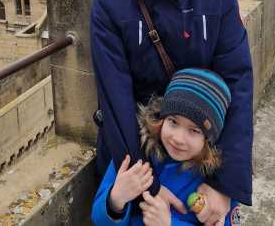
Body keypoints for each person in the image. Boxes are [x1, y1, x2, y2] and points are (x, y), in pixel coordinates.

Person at [90, 0, 253, 225]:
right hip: (140, 146)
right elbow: (115, 96)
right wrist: (149, 183)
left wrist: (223, 184)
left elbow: (237, 83)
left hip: (200, 146)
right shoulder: (110, 0)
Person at [91, 68, 242, 226]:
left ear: (209, 139)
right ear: (162, 118)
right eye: (173, 121)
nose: (177, 138)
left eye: (194, 130)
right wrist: (115, 200)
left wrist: (169, 224)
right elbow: (99, 220)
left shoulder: (218, 181)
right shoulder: (134, 152)